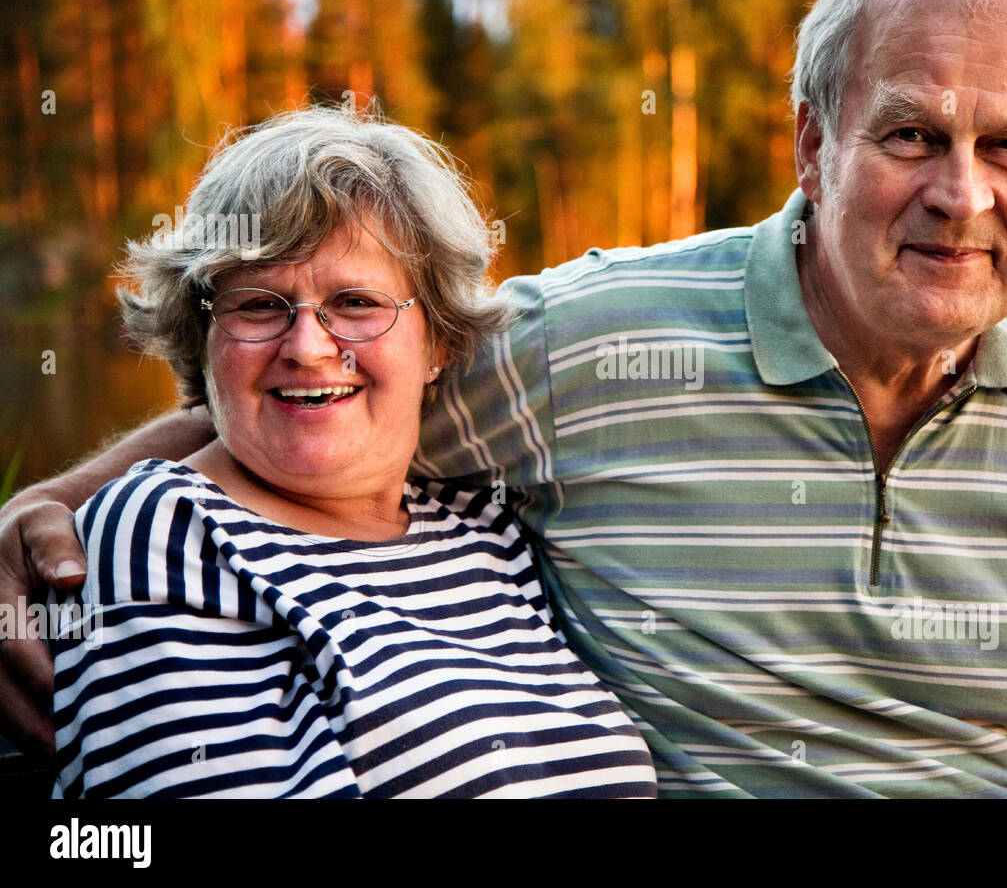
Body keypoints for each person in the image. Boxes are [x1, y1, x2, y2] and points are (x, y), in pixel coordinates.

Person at [1, 0, 1007, 797]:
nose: (961, 193)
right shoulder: (600, 341)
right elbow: (326, 393)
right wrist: (61, 504)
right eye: (912, 132)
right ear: (813, 143)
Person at [43, 107, 656, 797]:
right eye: (260, 306)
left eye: (357, 301)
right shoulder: (168, 531)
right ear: (202, 334)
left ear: (440, 342)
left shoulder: (485, 530)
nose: (307, 346)